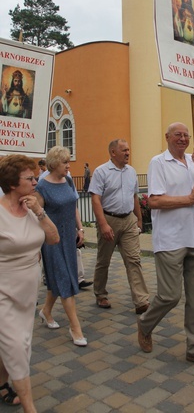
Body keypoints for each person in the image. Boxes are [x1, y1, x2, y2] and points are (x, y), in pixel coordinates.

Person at [137, 122, 194, 369]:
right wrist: (189, 199)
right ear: (168, 137)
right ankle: (145, 324)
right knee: (170, 296)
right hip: (171, 239)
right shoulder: (158, 163)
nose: (183, 139)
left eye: (186, 135)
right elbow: (154, 201)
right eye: (178, 135)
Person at [0, 155, 59, 411]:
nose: (37, 181)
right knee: (17, 346)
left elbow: (53, 239)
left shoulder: (33, 208)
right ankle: (29, 407)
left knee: (13, 342)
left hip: (27, 293)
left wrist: (39, 211)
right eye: (30, 178)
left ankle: (2, 384)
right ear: (13, 183)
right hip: (2, 290)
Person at [89, 139, 149, 313]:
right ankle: (100, 293)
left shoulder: (131, 172)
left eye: (128, 150)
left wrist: (138, 219)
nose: (128, 153)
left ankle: (141, 301)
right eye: (124, 150)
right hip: (109, 220)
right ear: (113, 153)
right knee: (103, 260)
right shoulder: (101, 172)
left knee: (134, 259)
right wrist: (103, 224)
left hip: (128, 220)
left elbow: (134, 196)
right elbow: (95, 199)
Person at [35, 146, 87, 347]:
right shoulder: (42, 187)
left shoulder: (68, 180)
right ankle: (75, 328)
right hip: (51, 240)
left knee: (62, 278)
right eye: (65, 162)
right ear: (54, 163)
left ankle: (46, 311)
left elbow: (73, 205)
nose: (68, 165)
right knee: (65, 279)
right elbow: (38, 217)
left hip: (68, 238)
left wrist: (80, 228)